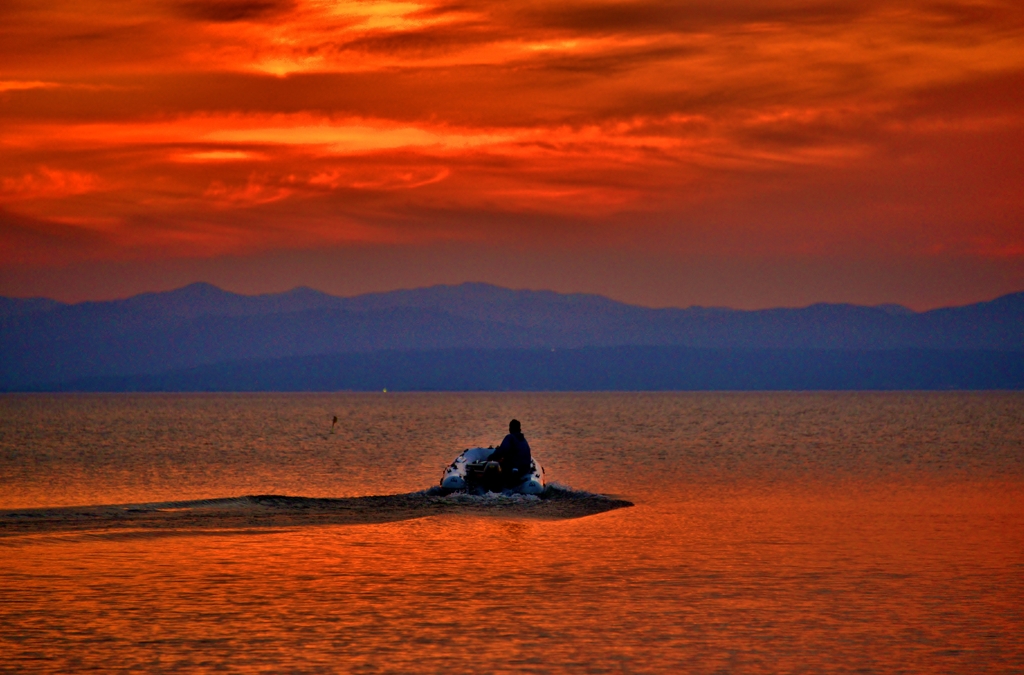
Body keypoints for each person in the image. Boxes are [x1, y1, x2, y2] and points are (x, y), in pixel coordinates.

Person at [488, 419, 532, 487]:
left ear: (510, 429)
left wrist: (489, 458)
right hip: (525, 469)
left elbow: (501, 451)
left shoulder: (510, 437)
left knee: (494, 467)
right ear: (520, 429)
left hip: (514, 469)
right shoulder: (523, 440)